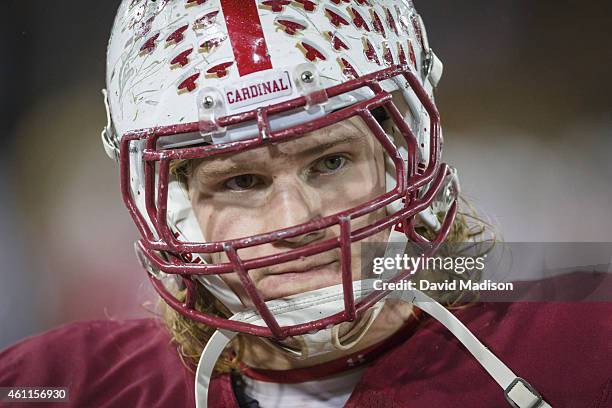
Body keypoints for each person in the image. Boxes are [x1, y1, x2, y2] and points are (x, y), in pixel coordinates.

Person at [1, 1, 610, 407]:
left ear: (409, 149)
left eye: (331, 162)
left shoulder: (589, 348)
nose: (296, 221)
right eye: (241, 181)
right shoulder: (54, 387)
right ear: (174, 205)